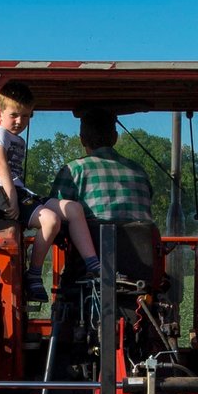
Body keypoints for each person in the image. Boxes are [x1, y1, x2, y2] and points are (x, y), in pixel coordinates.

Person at [0, 81, 73, 302]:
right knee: (51, 221)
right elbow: (0, 163)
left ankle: (90, 263)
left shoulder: (18, 139)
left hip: (19, 192)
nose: (19, 121)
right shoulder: (0, 134)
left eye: (26, 116)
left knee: (70, 210)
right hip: (2, 194)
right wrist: (12, 198)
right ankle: (34, 275)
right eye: (14, 115)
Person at [52, 111, 152, 279]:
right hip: (141, 267)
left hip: (88, 269)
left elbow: (57, 218)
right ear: (115, 138)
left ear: (82, 139)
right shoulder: (139, 171)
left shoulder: (74, 170)